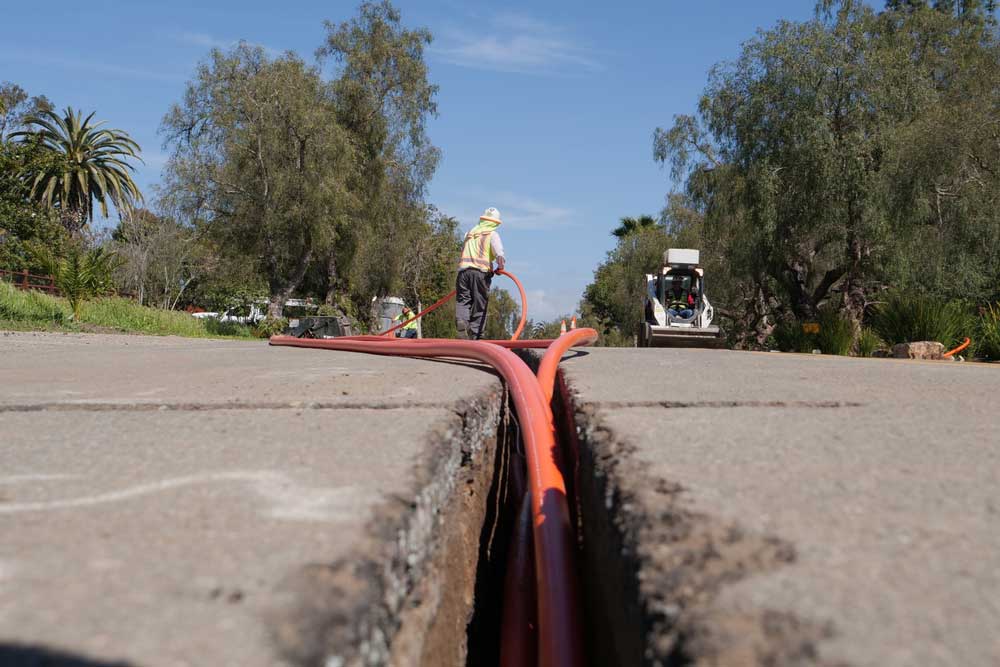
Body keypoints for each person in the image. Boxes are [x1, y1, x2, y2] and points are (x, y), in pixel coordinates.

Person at [455, 207, 505, 339]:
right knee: (479, 304)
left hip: (463, 273)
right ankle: (476, 334)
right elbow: (499, 254)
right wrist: (500, 267)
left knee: (463, 301)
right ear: (495, 222)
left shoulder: (469, 233)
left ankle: (461, 322)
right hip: (480, 274)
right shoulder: (492, 234)